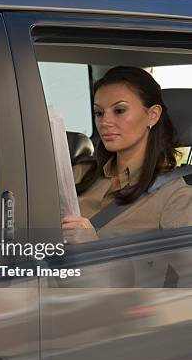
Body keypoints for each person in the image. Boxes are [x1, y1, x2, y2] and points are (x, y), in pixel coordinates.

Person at [62, 66, 192, 237]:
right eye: (99, 113)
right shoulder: (79, 174)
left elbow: (178, 263)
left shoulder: (175, 197)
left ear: (152, 115)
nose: (104, 122)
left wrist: (94, 246)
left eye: (119, 110)